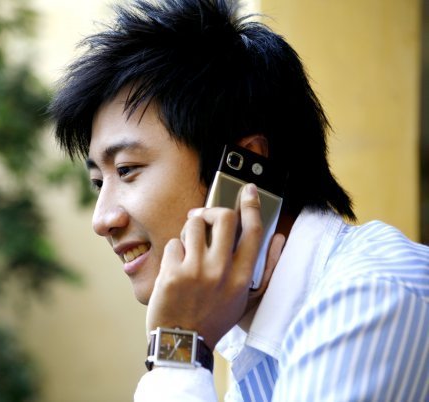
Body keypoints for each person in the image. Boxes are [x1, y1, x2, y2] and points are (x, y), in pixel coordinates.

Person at [48, 0, 429, 400]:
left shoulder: (370, 302)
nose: (102, 219)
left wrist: (179, 347)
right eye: (98, 182)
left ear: (246, 169)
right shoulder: (248, 338)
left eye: (127, 169)